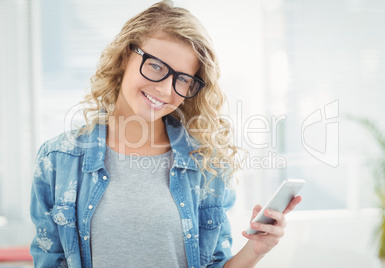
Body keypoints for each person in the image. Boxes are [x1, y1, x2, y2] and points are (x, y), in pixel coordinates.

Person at [29, 1, 302, 267]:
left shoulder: (206, 163)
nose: (165, 90)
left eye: (182, 79)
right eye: (156, 66)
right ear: (125, 56)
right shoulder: (58, 159)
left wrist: (254, 251)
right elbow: (49, 260)